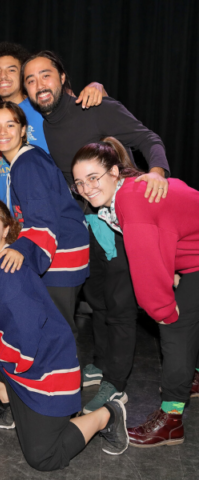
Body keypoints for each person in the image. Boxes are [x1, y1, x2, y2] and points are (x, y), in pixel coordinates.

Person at [23, 50, 171, 413]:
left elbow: (148, 138)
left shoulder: (97, 106)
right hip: (87, 227)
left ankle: (116, 384)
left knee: (121, 307)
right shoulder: (44, 122)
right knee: (99, 301)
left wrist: (157, 172)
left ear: (62, 78)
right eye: (31, 80)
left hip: (124, 224)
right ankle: (103, 364)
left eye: (46, 75)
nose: (39, 85)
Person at [0, 197, 128, 471]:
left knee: (44, 457)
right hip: (17, 358)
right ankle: (10, 397)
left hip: (46, 369)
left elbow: (26, 342)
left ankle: (108, 414)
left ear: (7, 229)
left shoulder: (10, 272)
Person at [72, 137, 199, 448]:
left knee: (174, 328)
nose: (87, 189)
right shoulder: (128, 189)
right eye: (79, 183)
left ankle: (171, 420)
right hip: (193, 256)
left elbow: (144, 267)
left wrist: (162, 310)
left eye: (93, 178)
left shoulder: (132, 198)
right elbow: (168, 228)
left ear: (115, 172)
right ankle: (192, 375)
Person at [0, 101, 89, 353]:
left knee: (58, 329)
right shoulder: (26, 158)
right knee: (56, 325)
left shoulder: (27, 164)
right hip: (63, 249)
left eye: (11, 124)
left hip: (61, 254)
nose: (3, 131)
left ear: (23, 130)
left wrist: (20, 248)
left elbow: (42, 220)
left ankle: (64, 387)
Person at [0, 42, 106, 205]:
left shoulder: (43, 107)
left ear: (23, 77)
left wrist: (97, 88)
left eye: (11, 70)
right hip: (9, 213)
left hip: (48, 207)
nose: (3, 76)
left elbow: (83, 110)